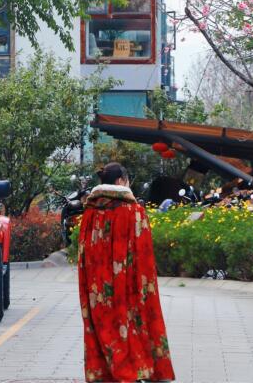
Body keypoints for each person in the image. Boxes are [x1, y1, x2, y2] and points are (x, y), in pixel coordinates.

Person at [78, 162, 175, 383]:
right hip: (129, 284)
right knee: (134, 321)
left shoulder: (90, 213)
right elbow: (144, 256)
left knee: (102, 323)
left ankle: (104, 372)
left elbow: (83, 256)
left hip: (96, 286)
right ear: (121, 181)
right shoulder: (134, 211)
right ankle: (140, 369)